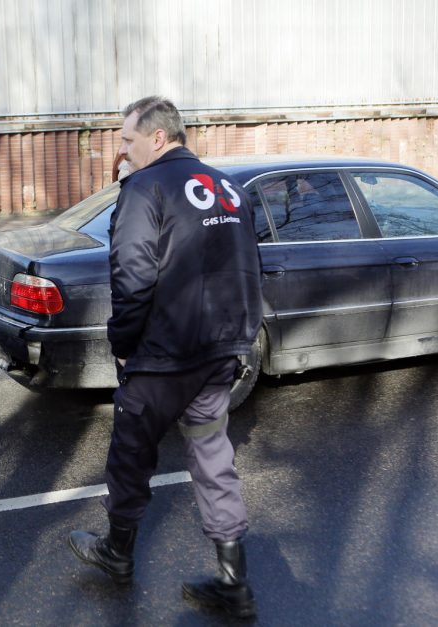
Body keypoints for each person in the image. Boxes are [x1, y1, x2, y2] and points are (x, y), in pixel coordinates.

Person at [68, 97, 263, 619]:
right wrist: (239, 339)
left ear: (157, 138)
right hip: (220, 351)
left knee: (131, 455)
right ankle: (232, 581)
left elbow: (131, 277)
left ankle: (117, 554)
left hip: (164, 354)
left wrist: (125, 347)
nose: (121, 150)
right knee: (212, 457)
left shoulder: (145, 188)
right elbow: (249, 265)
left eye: (127, 140)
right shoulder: (227, 187)